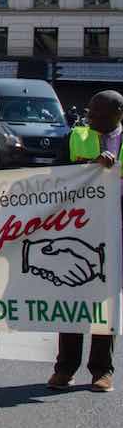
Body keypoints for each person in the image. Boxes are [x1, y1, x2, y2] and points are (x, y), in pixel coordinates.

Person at [47, 89, 122, 394]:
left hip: (114, 234)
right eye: (90, 112)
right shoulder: (76, 137)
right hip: (76, 231)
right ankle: (65, 368)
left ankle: (102, 370)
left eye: (99, 114)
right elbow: (54, 176)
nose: (91, 118)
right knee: (72, 300)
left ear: (118, 114)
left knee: (106, 305)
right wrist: (91, 166)